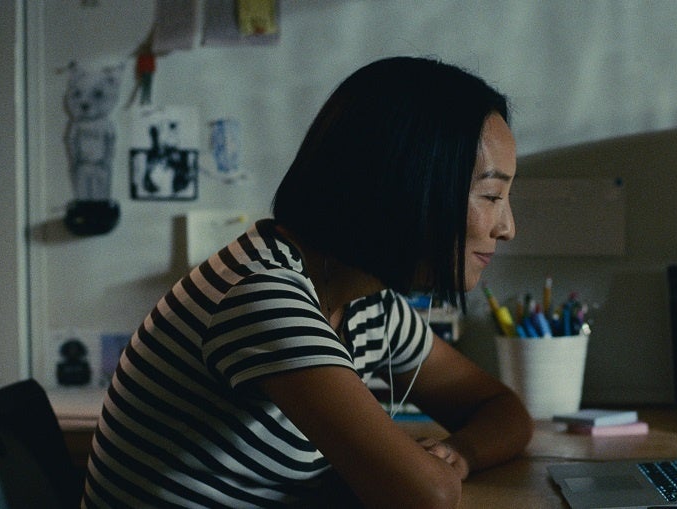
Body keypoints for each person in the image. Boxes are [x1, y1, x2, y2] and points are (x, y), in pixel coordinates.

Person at [82, 56, 533, 508]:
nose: (507, 227)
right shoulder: (262, 293)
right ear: (410, 186)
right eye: (492, 196)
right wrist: (432, 470)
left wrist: (460, 453)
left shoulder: (369, 302)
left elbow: (502, 410)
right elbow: (425, 495)